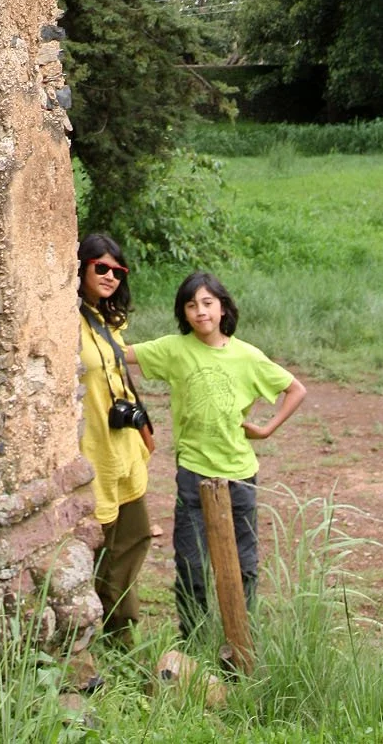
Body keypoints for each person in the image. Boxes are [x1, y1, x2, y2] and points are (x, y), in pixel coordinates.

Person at [126, 270, 306, 643]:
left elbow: (295, 389)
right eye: (191, 305)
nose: (200, 312)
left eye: (208, 303)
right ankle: (193, 642)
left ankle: (240, 638)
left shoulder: (248, 356)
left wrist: (268, 428)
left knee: (244, 566)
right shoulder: (175, 350)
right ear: (184, 312)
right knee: (191, 565)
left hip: (240, 474)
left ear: (223, 308)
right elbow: (120, 355)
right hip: (193, 472)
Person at [76, 232, 156, 634]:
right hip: (92, 452)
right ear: (81, 268)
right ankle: (87, 635)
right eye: (101, 268)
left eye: (117, 271)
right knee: (93, 548)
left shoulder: (109, 320)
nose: (110, 276)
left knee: (134, 538)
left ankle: (122, 631)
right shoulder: (65, 319)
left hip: (123, 450)